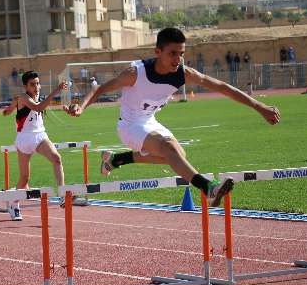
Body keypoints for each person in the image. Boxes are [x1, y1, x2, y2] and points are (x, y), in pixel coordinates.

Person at [65, 27, 280, 207]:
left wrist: (259, 106)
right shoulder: (135, 73)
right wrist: (81, 106)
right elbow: (100, 89)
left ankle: (118, 159)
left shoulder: (183, 73)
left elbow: (222, 87)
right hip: (129, 126)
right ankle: (208, 187)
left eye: (182, 53)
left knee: (178, 155)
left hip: (149, 121)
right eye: (172, 53)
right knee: (169, 149)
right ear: (158, 51)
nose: (178, 59)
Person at [2, 71, 68, 221]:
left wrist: (66, 108)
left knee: (56, 158)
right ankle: (13, 203)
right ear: (25, 86)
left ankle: (62, 194)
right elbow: (37, 108)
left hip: (39, 136)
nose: (37, 87)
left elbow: (45, 107)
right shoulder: (23, 97)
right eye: (33, 84)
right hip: (24, 139)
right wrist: (56, 90)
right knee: (24, 178)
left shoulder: (39, 97)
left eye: (38, 83)